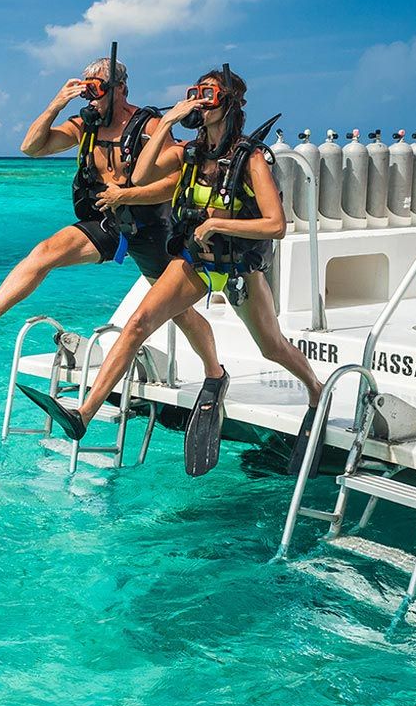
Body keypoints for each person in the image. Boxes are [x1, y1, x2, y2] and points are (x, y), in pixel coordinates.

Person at [16, 65, 325, 477]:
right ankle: (83, 415)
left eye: (209, 95)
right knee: (138, 322)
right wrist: (169, 122)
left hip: (237, 268)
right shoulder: (189, 152)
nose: (200, 100)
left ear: (229, 105)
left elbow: (275, 225)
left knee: (272, 347)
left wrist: (219, 224)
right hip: (196, 262)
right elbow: (142, 174)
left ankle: (316, 391)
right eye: (196, 92)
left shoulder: (248, 159)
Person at [0, 54, 227, 399]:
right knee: (45, 252)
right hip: (108, 221)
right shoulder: (84, 125)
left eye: (97, 88)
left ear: (120, 89)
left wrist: (128, 194)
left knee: (178, 311)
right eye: (86, 89)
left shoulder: (147, 126)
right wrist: (56, 104)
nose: (91, 97)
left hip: (151, 225)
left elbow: (176, 180)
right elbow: (30, 148)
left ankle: (214, 373)